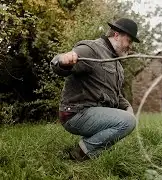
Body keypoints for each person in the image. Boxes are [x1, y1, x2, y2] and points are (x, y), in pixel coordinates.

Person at [50, 18, 140, 161]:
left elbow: (115, 95)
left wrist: (127, 107)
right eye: (129, 41)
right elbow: (59, 63)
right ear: (116, 35)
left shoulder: (117, 63)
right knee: (127, 122)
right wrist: (62, 60)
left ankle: (91, 150)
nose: (130, 46)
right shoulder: (91, 49)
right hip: (75, 113)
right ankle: (79, 154)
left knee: (128, 119)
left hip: (92, 113)